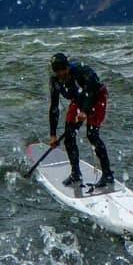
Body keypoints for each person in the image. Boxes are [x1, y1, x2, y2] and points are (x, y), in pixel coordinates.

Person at [49, 52, 114, 189]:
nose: (61, 74)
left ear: (68, 67)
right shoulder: (55, 82)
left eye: (63, 70)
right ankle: (75, 174)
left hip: (96, 97)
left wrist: (85, 111)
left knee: (92, 135)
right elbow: (54, 108)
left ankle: (107, 175)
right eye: (57, 71)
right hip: (79, 100)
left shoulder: (80, 72)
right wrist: (53, 135)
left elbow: (91, 92)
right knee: (68, 136)